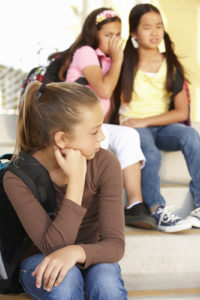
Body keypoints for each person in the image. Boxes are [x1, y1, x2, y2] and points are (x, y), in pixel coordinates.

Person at [3, 81, 128, 299]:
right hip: (40, 260)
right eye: (94, 131)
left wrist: (77, 252)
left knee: (106, 281)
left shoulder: (105, 163)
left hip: (91, 255)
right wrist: (76, 181)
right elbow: (53, 247)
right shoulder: (16, 177)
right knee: (66, 280)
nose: (102, 137)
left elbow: (115, 245)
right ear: (62, 139)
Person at [48, 7, 156, 230]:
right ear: (94, 34)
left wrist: (119, 62)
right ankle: (94, 210)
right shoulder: (86, 52)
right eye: (108, 35)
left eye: (117, 35)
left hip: (97, 124)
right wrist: (117, 60)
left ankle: (135, 204)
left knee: (128, 135)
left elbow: (121, 97)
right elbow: (104, 91)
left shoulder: (110, 60)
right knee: (100, 142)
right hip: (75, 125)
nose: (114, 40)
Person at [117, 3, 200, 233]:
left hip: (158, 126)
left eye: (159, 26)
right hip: (133, 127)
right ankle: (156, 209)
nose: (154, 32)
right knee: (149, 153)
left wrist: (145, 121)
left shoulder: (170, 64)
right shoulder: (125, 63)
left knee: (191, 135)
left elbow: (182, 112)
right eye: (147, 27)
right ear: (134, 33)